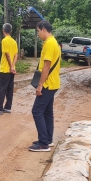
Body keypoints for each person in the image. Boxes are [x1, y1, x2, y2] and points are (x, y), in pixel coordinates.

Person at [29, 20, 61, 152]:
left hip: (48, 83)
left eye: (38, 31)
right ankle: (48, 138)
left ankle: (43, 143)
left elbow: (46, 66)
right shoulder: (54, 42)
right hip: (53, 82)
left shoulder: (49, 44)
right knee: (47, 112)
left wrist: (40, 85)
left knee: (36, 111)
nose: (38, 34)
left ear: (43, 29)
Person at [0, 23, 18, 115]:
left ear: (3, 30)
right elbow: (16, 55)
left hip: (5, 69)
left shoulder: (4, 41)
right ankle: (8, 107)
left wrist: (10, 67)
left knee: (1, 88)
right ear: (11, 31)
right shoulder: (14, 41)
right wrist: (13, 67)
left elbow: (7, 54)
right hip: (11, 69)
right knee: (9, 88)